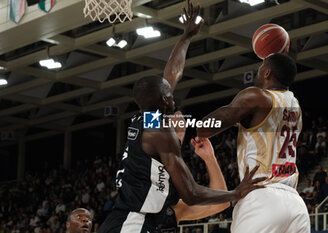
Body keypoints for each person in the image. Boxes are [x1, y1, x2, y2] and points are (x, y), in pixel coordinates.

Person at [97, 1, 265, 233]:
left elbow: (171, 75)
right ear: (165, 101)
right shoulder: (159, 131)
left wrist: (186, 37)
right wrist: (237, 192)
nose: (173, 94)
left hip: (130, 220)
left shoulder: (147, 118)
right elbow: (191, 193)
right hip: (131, 224)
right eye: (169, 94)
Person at [197, 53, 310, 232]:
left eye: (261, 67)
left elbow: (204, 128)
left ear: (267, 73)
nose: (258, 70)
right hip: (296, 204)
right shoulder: (295, 106)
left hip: (263, 197)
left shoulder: (255, 96)